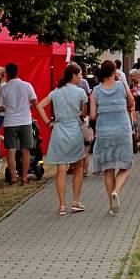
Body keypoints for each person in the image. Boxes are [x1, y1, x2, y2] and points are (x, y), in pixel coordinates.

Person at [36, 63, 88, 215]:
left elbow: (39, 106)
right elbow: (83, 115)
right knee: (78, 166)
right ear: (73, 76)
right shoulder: (81, 93)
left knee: (61, 169)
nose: (81, 77)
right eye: (80, 75)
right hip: (74, 131)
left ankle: (62, 205)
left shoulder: (56, 92)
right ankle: (76, 201)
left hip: (59, 130)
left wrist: (47, 122)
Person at [89, 59, 135, 215]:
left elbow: (93, 115)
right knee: (125, 167)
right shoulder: (122, 85)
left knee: (109, 170)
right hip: (122, 130)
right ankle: (116, 191)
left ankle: (111, 205)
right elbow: (131, 102)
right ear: (114, 71)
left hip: (104, 132)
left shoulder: (95, 91)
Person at [0, 63, 37, 185]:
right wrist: (28, 107)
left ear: (7, 74)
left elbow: (0, 107)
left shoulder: (4, 88)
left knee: (11, 151)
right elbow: (35, 101)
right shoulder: (27, 85)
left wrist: (8, 109)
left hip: (10, 122)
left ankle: (13, 178)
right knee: (26, 150)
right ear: (17, 72)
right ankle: (24, 178)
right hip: (25, 121)